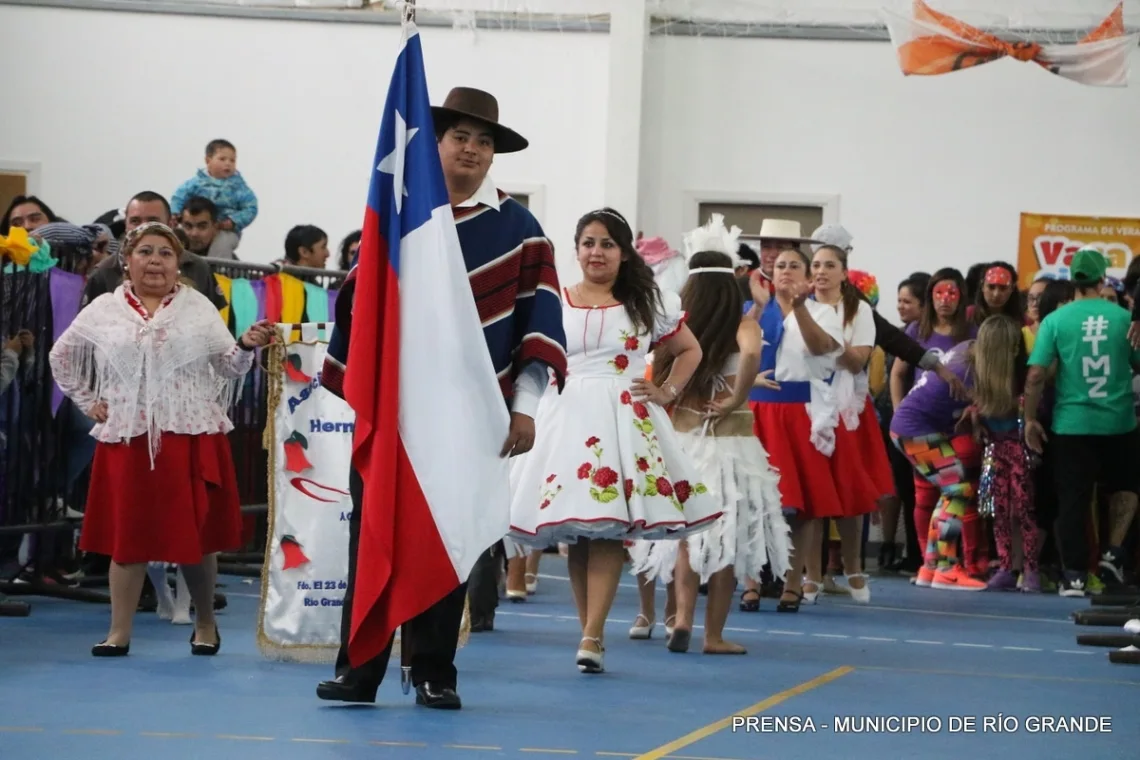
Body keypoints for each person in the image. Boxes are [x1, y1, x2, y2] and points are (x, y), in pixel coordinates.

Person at [316, 87, 568, 708]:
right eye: (462, 138)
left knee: (447, 538)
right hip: (394, 411)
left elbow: (537, 322)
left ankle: (434, 670)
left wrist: (526, 408)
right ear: (435, 143)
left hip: (470, 415)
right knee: (373, 535)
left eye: (485, 142)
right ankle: (360, 669)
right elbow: (359, 301)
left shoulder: (518, 230)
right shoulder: (401, 216)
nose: (473, 151)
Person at [507, 207, 718, 673]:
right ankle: (591, 635)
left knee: (606, 531)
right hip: (563, 418)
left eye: (606, 244)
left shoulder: (648, 302)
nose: (596, 252)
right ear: (576, 249)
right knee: (579, 536)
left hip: (623, 419)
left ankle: (592, 635)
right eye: (588, 243)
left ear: (623, 254)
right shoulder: (552, 300)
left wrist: (667, 392)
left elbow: (690, 350)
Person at [49, 223, 273, 655]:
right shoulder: (102, 309)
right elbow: (62, 356)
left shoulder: (198, 307)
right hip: (127, 438)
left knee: (195, 539)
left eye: (166, 254)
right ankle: (119, 632)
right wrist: (89, 401)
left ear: (178, 263)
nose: (155, 261)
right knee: (126, 538)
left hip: (188, 434)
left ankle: (205, 623)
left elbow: (228, 367)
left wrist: (245, 345)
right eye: (146, 252)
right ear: (126, 262)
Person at [1025, 248, 1140, 596]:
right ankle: (1112, 553)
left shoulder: (1055, 321)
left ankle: (1074, 574)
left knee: (1073, 498)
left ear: (1073, 281)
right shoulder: (1124, 318)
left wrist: (1029, 418)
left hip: (1071, 424)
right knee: (1127, 487)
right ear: (1103, 279)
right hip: (1119, 421)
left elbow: (1035, 375)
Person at [171, 139, 258, 258]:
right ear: (208, 161)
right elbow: (178, 197)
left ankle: (215, 273)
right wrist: (175, 212)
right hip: (195, 224)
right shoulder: (196, 183)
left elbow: (251, 208)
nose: (228, 163)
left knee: (223, 244)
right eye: (222, 159)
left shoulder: (238, 187)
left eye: (232, 160)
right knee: (176, 237)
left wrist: (233, 221)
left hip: (225, 229)